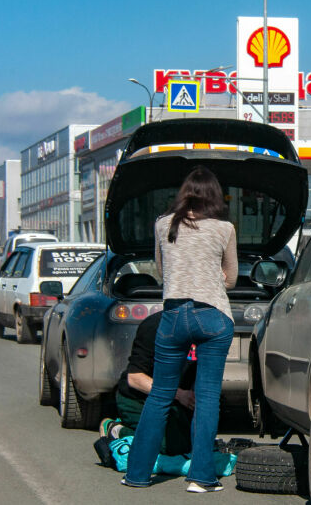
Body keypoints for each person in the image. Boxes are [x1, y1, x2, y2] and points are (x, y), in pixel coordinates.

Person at [122, 165, 237, 493]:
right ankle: (201, 478)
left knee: (159, 395)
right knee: (207, 396)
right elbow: (230, 276)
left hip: (172, 316)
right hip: (213, 315)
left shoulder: (162, 225)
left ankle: (138, 474)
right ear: (214, 196)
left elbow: (160, 269)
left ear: (183, 193)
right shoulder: (224, 229)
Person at [99, 310, 196, 457]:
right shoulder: (155, 325)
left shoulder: (207, 329)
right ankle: (115, 428)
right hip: (138, 398)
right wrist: (180, 394)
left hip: (175, 400)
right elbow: (135, 378)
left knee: (190, 444)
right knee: (166, 445)